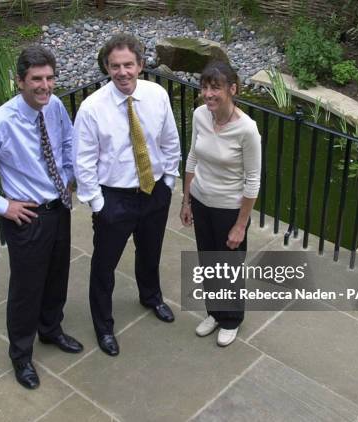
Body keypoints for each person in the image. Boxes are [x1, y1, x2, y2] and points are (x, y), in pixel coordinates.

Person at [0, 45, 83, 390]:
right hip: (26, 219)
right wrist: (1, 205)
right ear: (20, 81)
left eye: (50, 78)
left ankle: (51, 330)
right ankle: (21, 356)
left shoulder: (54, 106)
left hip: (59, 209)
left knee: (57, 276)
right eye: (36, 79)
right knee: (27, 289)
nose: (45, 85)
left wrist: (68, 176)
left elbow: (68, 142)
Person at [73, 33, 181, 357]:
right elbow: (83, 161)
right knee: (104, 266)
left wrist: (169, 182)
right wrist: (97, 204)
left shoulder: (157, 95)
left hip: (153, 192)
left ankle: (151, 297)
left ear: (141, 65)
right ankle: (104, 327)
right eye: (115, 66)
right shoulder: (92, 108)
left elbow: (170, 140)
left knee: (150, 253)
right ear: (107, 68)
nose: (122, 72)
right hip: (114, 199)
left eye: (128, 65)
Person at [180, 61, 261, 347]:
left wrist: (241, 224)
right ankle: (214, 313)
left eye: (215, 88)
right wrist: (186, 199)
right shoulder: (201, 115)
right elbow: (192, 157)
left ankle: (231, 319)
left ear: (232, 89)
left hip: (229, 209)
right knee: (208, 263)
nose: (208, 94)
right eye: (205, 87)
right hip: (201, 202)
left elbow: (253, 180)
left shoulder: (247, 130)